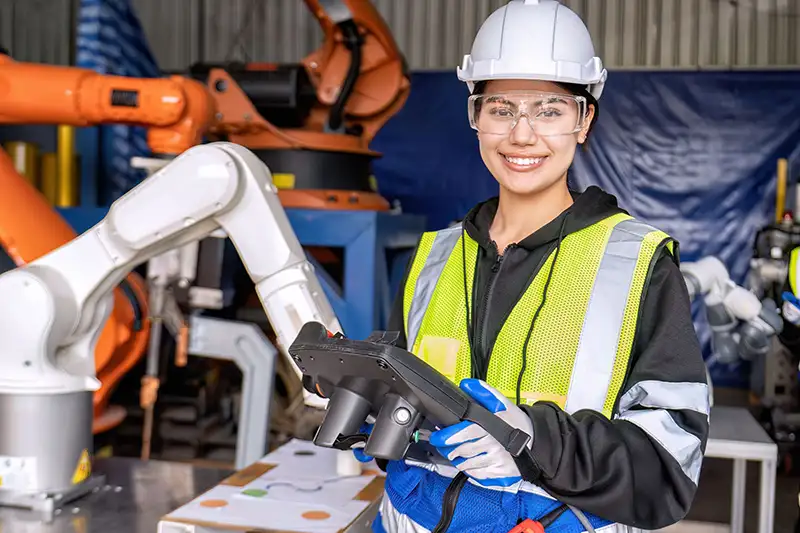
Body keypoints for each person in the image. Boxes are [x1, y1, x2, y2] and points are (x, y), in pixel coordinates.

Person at [355, 1, 710, 532]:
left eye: (549, 109)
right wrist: (369, 407)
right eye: (501, 108)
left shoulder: (638, 265)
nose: (522, 135)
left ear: (584, 120)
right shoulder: (433, 257)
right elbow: (405, 394)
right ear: (476, 117)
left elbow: (667, 468)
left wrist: (529, 438)